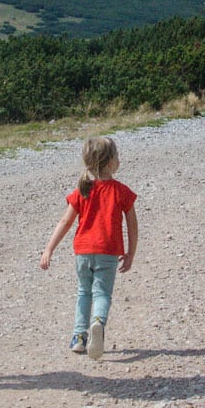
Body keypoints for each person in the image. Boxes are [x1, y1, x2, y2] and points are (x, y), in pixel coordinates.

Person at [38, 136, 138, 361]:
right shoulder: (121, 191)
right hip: (108, 252)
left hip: (83, 252)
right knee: (102, 293)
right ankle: (98, 322)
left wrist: (49, 249)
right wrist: (131, 252)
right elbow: (132, 224)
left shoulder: (82, 190)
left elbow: (64, 222)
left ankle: (79, 337)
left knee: (84, 292)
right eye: (117, 157)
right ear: (111, 163)